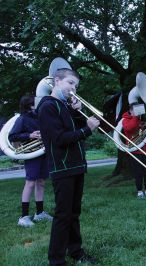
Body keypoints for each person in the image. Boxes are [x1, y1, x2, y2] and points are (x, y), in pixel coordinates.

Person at [37, 68, 100, 265]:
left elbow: (75, 128)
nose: (74, 88)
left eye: (76, 85)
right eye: (70, 83)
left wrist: (77, 112)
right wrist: (87, 130)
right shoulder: (48, 106)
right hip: (62, 168)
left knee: (74, 213)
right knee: (63, 215)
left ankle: (76, 251)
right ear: (57, 81)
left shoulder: (65, 106)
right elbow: (60, 139)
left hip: (77, 166)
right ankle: (56, 259)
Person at [9, 96, 53, 228]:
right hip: (32, 154)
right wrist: (30, 135)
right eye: (36, 103)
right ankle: (23, 217)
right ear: (30, 105)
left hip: (43, 152)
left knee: (41, 182)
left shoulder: (40, 116)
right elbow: (12, 136)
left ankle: (39, 213)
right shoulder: (22, 119)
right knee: (30, 183)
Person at [122, 104, 146, 198]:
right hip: (134, 150)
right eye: (135, 110)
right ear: (131, 111)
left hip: (145, 149)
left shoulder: (142, 119)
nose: (138, 112)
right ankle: (140, 192)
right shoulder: (125, 120)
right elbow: (130, 128)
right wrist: (136, 117)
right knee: (138, 172)